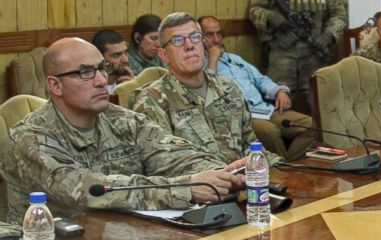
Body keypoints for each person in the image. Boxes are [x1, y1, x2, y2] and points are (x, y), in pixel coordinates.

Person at [2, 38, 242, 223]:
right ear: (55, 85)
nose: (100, 80)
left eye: (101, 69)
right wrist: (184, 188)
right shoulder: (29, 138)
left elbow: (173, 154)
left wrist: (225, 174)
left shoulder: (122, 120)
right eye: (85, 73)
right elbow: (86, 190)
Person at [130, 13, 281, 166]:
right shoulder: (151, 100)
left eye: (195, 37)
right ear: (164, 55)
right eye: (178, 40)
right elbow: (164, 164)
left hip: (245, 180)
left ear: (203, 45)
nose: (189, 46)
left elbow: (249, 144)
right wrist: (224, 176)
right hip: (199, 187)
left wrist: (279, 167)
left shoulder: (228, 87)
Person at [199, 15, 315, 161]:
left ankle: (288, 165)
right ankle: (283, 168)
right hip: (241, 116)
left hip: (264, 109)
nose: (216, 39)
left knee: (311, 125)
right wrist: (213, 60)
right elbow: (209, 91)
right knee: (270, 132)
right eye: (209, 35)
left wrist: (280, 91)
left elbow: (261, 80)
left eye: (219, 34)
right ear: (200, 37)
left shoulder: (235, 59)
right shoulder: (200, 65)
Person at [91, 28, 134, 93]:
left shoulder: (131, 80)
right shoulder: (92, 87)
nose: (125, 60)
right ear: (101, 59)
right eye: (116, 55)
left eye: (126, 52)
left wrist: (131, 89)